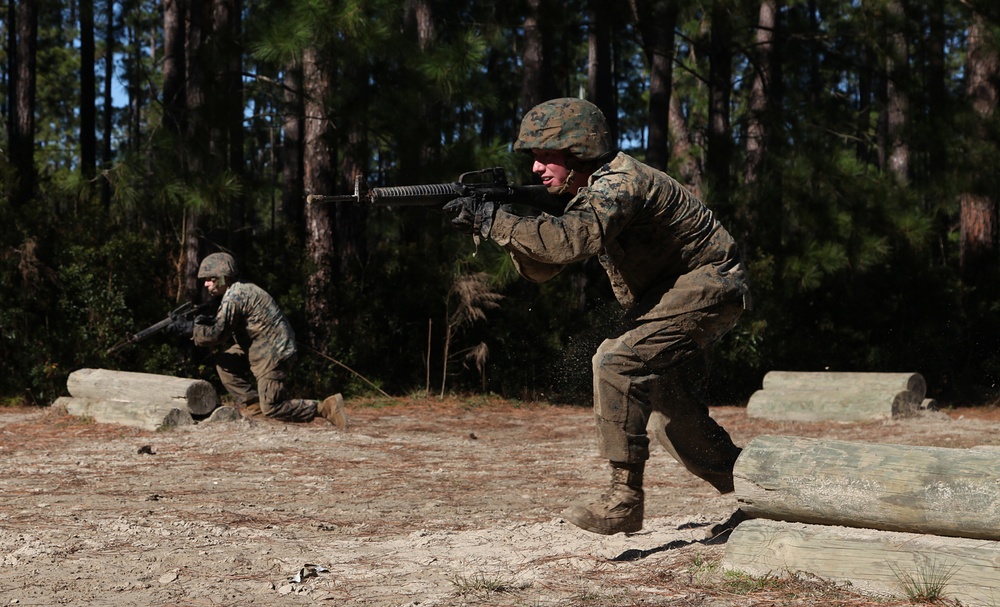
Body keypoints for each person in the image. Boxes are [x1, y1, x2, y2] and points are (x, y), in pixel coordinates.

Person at [445, 98, 751, 535]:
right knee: (671, 415)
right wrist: (499, 227)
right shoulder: (588, 191)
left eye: (545, 155)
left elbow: (569, 242)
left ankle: (623, 499)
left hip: (710, 284)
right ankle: (760, 489)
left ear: (579, 151)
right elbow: (544, 267)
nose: (535, 168)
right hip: (669, 297)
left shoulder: (619, 182)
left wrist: (498, 221)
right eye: (533, 158)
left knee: (616, 362)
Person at [171, 252, 348, 429]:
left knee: (272, 407)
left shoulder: (235, 296)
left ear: (223, 278)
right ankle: (253, 407)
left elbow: (217, 335)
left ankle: (325, 408)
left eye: (210, 279)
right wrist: (203, 323)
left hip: (272, 351)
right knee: (226, 363)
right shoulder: (239, 290)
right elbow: (226, 324)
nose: (206, 284)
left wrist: (190, 329)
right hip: (259, 346)